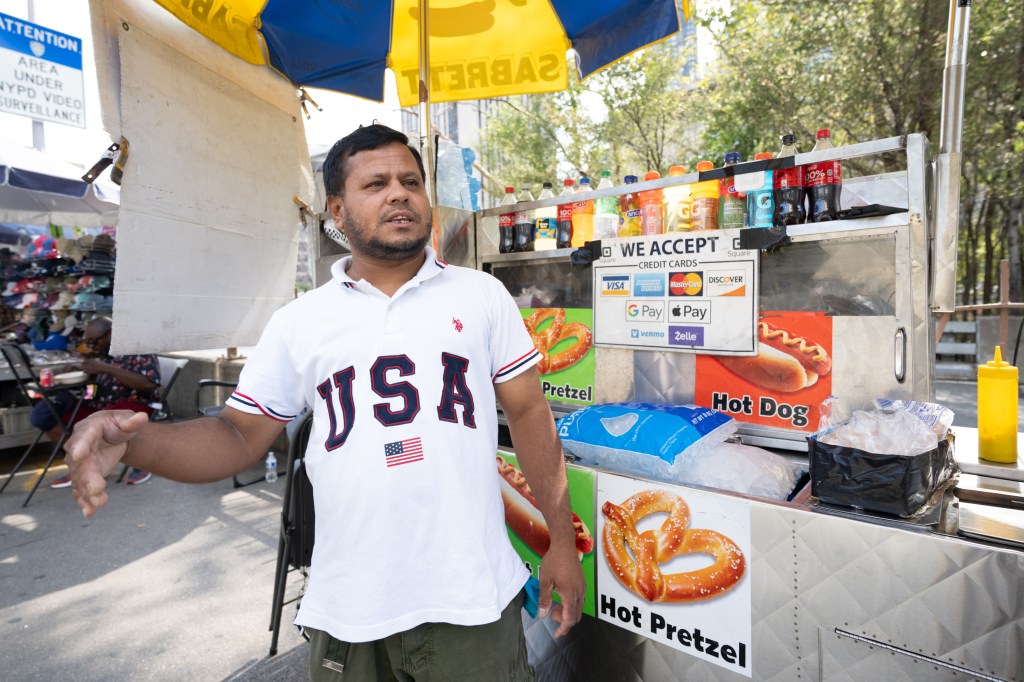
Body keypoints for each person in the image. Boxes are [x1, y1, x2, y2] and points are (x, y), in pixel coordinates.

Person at [65, 124, 585, 680]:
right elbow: (236, 436)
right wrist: (135, 442)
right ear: (337, 210)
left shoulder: (480, 295)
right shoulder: (300, 323)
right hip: (350, 610)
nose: (399, 193)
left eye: (411, 181)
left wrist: (561, 540)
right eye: (377, 183)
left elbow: (530, 414)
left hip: (473, 601)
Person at [42, 316, 160, 488]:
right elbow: (94, 380)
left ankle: (141, 464)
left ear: (110, 334)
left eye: (94, 340)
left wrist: (107, 368)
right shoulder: (103, 352)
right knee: (49, 415)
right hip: (100, 405)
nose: (91, 345)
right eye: (87, 341)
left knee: (102, 421)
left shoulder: (137, 348)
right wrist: (81, 369)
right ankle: (84, 464)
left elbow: (149, 385)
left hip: (133, 405)